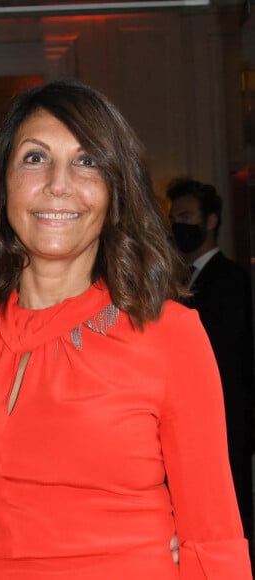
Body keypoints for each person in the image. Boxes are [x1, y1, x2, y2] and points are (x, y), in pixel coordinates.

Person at [0, 79, 252, 579]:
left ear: (114, 189)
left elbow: (213, 535)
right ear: (3, 183)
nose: (59, 184)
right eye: (35, 159)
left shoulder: (169, 332)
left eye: (87, 162)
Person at [167, 177, 254, 545]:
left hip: (225, 422)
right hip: (190, 419)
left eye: (187, 216)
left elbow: (229, 360)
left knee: (228, 518)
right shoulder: (177, 279)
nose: (179, 225)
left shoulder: (231, 280)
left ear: (212, 220)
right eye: (175, 218)